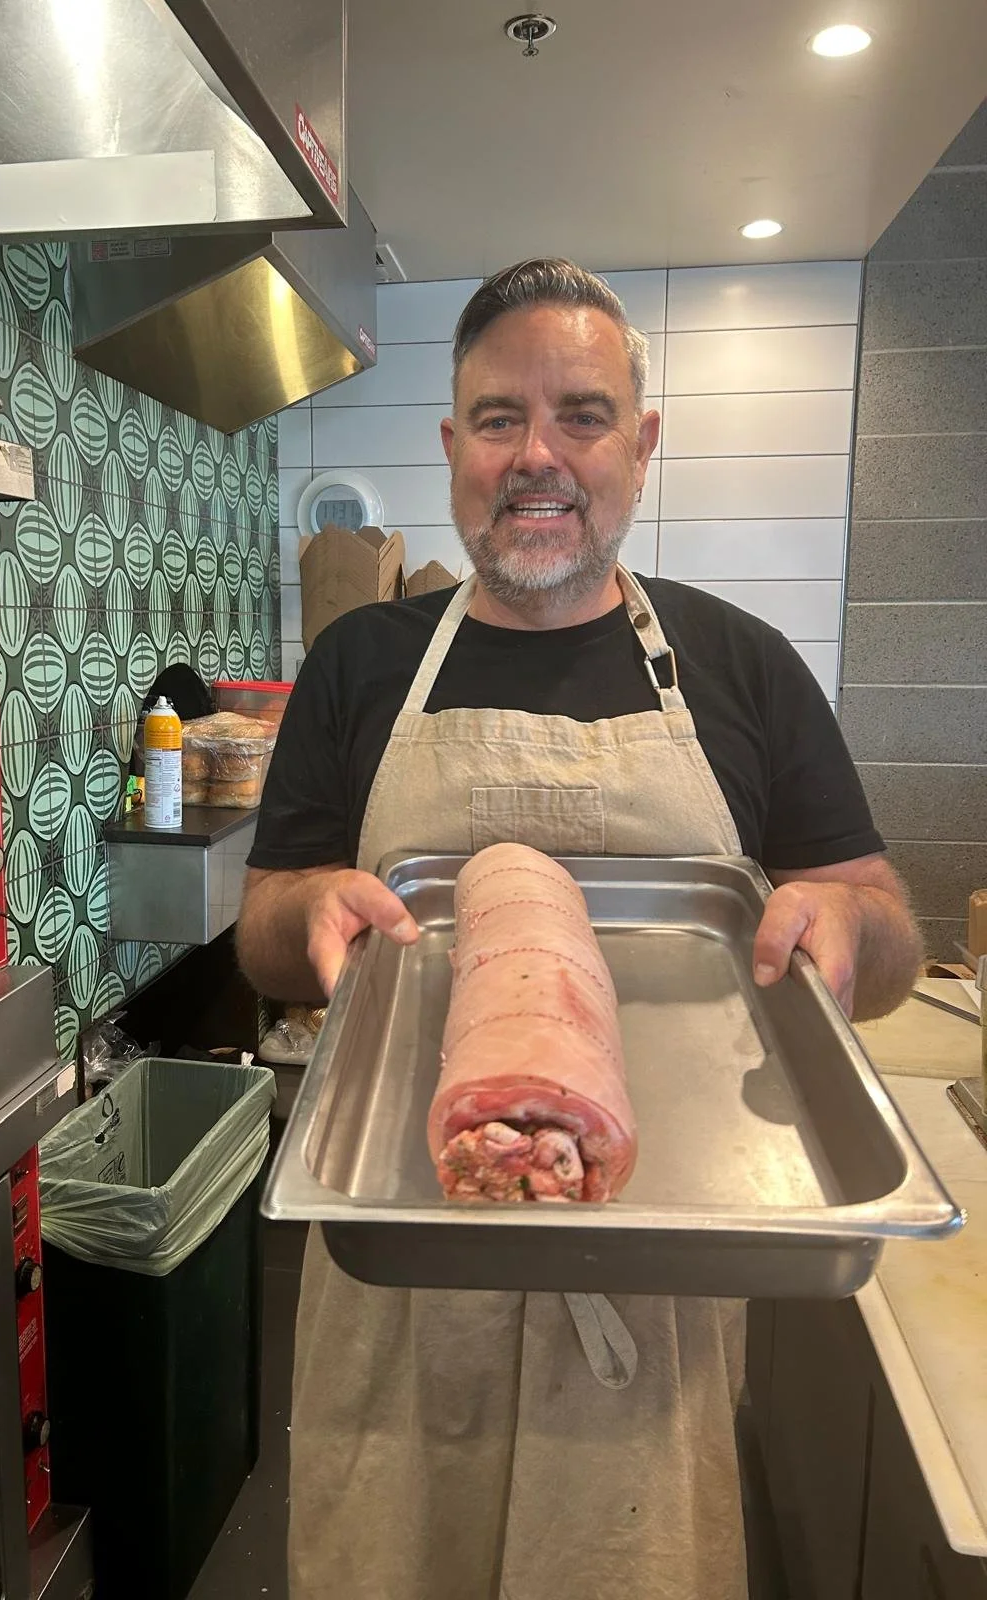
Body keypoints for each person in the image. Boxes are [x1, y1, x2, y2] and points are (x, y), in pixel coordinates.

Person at [237, 258, 922, 1600]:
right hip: (399, 1305)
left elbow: (887, 929)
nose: (538, 456)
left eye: (584, 415)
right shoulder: (363, 663)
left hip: (654, 1315)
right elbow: (264, 927)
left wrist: (846, 926)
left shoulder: (742, 667)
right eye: (499, 418)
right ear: (452, 447)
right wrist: (309, 913)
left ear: (643, 446)